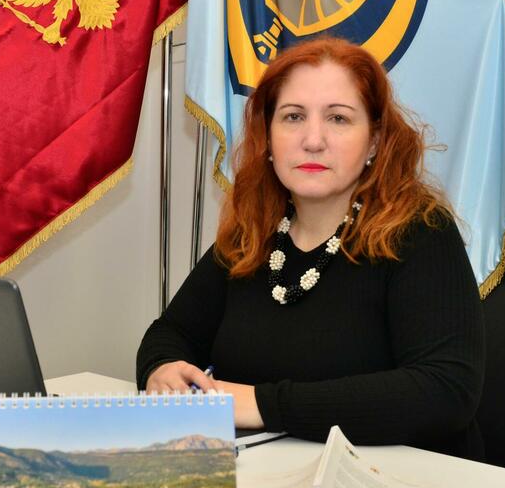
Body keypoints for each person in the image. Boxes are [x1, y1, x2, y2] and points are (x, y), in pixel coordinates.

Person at [137, 37, 485, 459]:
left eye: (338, 118)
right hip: (267, 476)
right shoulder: (253, 231)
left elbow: (446, 390)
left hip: (393, 484)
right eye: (293, 116)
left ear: (374, 140)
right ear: (268, 136)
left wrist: (260, 405)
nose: (313, 140)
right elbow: (171, 333)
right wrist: (164, 369)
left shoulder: (420, 232)